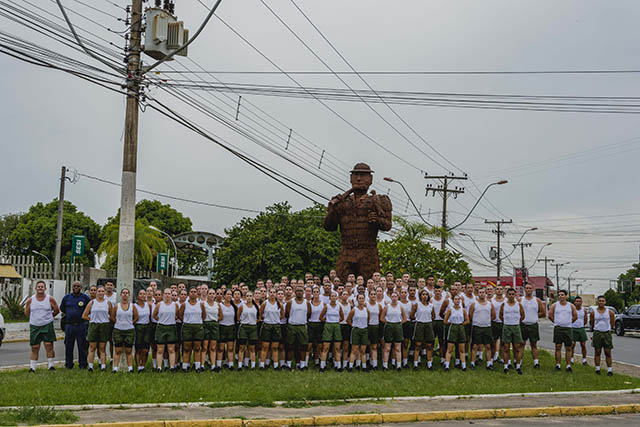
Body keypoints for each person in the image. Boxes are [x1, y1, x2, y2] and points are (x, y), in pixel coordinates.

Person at [25, 280, 60, 372]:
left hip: (47, 325)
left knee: (49, 345)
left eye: (42, 287)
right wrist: (35, 318)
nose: (40, 288)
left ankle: (51, 366)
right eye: (39, 287)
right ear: (36, 288)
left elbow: (56, 310)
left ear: (45, 288)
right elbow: (27, 312)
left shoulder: (50, 299)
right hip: (35, 326)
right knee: (34, 347)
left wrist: (49, 317)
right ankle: (32, 367)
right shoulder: (30, 300)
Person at [59, 281, 90, 369]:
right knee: (68, 346)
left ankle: (83, 365)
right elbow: (63, 309)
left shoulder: (85, 298)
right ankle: (68, 364)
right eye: (74, 286)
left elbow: (89, 309)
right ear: (72, 287)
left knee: (82, 346)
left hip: (81, 325)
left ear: (81, 288)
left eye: (78, 286)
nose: (76, 287)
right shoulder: (66, 298)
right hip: (69, 325)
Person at [82, 286, 112, 371]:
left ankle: (103, 366)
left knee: (102, 348)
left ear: (105, 293)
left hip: (104, 325)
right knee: (92, 347)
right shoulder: (92, 302)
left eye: (102, 291)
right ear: (96, 293)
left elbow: (111, 315)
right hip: (94, 325)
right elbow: (84, 315)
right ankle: (90, 366)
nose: (101, 293)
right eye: (99, 291)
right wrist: (91, 319)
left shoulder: (108, 303)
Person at [548, 290, 578, 372]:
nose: (560, 296)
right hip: (558, 328)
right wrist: (556, 322)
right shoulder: (554, 305)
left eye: (562, 295)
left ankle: (568, 365)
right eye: (559, 295)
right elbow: (550, 315)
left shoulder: (571, 306)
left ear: (566, 296)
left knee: (568, 347)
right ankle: (558, 365)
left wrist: (569, 322)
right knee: (558, 346)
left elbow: (575, 316)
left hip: (568, 328)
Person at [110, 288, 138, 373]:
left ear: (129, 295)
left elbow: (136, 317)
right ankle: (115, 368)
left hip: (129, 330)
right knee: (117, 350)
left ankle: (130, 368)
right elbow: (112, 317)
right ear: (121, 295)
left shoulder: (132, 306)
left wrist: (130, 323)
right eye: (123, 293)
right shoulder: (116, 306)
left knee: (128, 351)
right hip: (118, 330)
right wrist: (118, 323)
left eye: (126, 293)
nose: (125, 295)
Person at [285, 286, 312, 370]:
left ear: (303, 292)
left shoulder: (307, 303)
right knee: (290, 346)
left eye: (301, 291)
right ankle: (288, 365)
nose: (299, 292)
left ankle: (303, 365)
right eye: (297, 291)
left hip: (302, 326)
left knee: (303, 346)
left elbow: (309, 314)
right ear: (295, 292)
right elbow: (287, 314)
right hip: (292, 326)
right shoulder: (290, 302)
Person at [179, 287, 205, 372]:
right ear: (188, 294)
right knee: (186, 348)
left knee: (197, 348)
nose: (193, 293)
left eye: (195, 292)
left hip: (198, 327)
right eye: (191, 292)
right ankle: (185, 366)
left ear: (197, 294)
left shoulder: (201, 304)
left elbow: (203, 316)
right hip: (187, 327)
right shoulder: (184, 305)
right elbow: (180, 316)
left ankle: (197, 366)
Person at [520, 283, 546, 368]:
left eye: (530, 288)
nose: (528, 290)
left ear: (532, 289)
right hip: (523, 324)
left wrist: (535, 316)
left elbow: (543, 313)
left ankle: (536, 362)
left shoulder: (537, 300)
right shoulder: (520, 300)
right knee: (521, 344)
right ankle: (519, 362)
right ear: (524, 289)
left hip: (533, 325)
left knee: (534, 344)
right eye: (527, 288)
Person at [153, 288, 179, 372]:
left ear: (171, 295)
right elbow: (154, 315)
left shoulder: (175, 305)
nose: (167, 295)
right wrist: (161, 320)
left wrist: (170, 320)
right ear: (163, 295)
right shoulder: (159, 305)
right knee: (160, 349)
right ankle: (159, 367)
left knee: (171, 349)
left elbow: (177, 315)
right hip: (161, 327)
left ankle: (172, 367)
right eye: (166, 293)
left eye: (169, 293)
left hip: (171, 327)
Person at [469, 287, 495, 370]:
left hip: (487, 327)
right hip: (477, 327)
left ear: (485, 293)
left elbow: (493, 315)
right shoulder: (474, 304)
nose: (482, 294)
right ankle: (472, 363)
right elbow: (470, 315)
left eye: (483, 292)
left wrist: (486, 320)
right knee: (474, 346)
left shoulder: (490, 304)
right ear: (478, 294)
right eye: (480, 292)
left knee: (487, 346)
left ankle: (489, 364)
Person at [500, 288, 525, 374]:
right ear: (507, 295)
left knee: (517, 347)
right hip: (507, 326)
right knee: (506, 347)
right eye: (509, 294)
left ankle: (518, 366)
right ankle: (506, 366)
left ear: (515, 295)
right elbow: (500, 316)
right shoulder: (504, 305)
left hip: (516, 327)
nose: (511, 296)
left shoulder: (518, 305)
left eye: (512, 294)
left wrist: (516, 322)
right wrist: (507, 322)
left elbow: (522, 315)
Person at [381, 292, 406, 371]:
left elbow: (405, 318)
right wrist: (389, 323)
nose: (394, 298)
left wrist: (398, 323)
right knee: (387, 348)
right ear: (390, 298)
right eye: (392, 296)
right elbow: (381, 318)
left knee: (398, 348)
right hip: (389, 326)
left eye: (395, 296)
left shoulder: (400, 307)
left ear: (398, 297)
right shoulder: (387, 307)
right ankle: (385, 365)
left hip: (398, 327)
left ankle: (398, 365)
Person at [443, 294, 469, 371]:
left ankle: (463, 365)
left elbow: (467, 320)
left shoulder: (463, 310)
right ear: (453, 300)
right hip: (453, 328)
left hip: (460, 328)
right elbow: (445, 320)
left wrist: (461, 324)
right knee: (450, 348)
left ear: (460, 301)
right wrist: (451, 323)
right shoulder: (450, 310)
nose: (457, 301)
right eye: (455, 299)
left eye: (458, 299)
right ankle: (447, 365)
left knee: (461, 349)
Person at [410, 290, 435, 370]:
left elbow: (433, 316)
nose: (424, 296)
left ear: (428, 296)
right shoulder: (417, 305)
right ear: (420, 296)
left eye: (426, 294)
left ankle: (429, 364)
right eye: (423, 294)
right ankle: (415, 364)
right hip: (419, 324)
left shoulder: (431, 306)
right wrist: (418, 319)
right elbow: (412, 315)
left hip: (428, 324)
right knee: (418, 345)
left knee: (429, 345)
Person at [590, 295, 615, 376]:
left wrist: (609, 329)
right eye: (600, 301)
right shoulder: (593, 312)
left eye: (602, 301)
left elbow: (612, 323)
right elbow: (592, 322)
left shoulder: (610, 312)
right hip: (597, 332)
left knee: (608, 352)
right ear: (597, 301)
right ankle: (597, 368)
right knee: (597, 351)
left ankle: (609, 370)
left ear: (605, 302)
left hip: (606, 333)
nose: (601, 302)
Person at [259, 289, 283, 370]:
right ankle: (262, 365)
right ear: (268, 294)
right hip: (267, 326)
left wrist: (275, 319)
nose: (272, 294)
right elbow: (260, 313)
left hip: (276, 326)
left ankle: (276, 365)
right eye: (271, 292)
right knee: (265, 347)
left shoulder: (279, 304)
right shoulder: (265, 303)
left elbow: (282, 315)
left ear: (276, 294)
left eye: (274, 292)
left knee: (275, 347)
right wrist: (267, 318)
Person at [319, 291, 343, 372]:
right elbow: (321, 317)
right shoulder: (326, 306)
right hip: (328, 326)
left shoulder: (339, 306)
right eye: (332, 296)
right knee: (325, 347)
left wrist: (336, 321)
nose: (333, 297)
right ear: (329, 298)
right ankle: (322, 366)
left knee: (337, 348)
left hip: (336, 326)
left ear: (337, 298)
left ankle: (338, 366)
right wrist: (327, 321)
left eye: (335, 296)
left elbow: (342, 318)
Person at [346, 294, 369, 371]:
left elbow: (367, 320)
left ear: (364, 299)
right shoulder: (354, 310)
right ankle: (350, 366)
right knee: (354, 350)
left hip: (364, 330)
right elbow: (348, 320)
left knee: (363, 350)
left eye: (362, 298)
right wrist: (354, 326)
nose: (361, 300)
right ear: (357, 300)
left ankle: (364, 367)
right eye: (360, 298)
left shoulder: (366, 310)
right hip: (356, 330)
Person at [236, 291, 258, 370]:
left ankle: (252, 365)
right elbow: (238, 316)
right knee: (242, 347)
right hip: (244, 327)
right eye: (247, 296)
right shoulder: (242, 306)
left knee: (252, 348)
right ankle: (240, 365)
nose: (249, 297)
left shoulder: (255, 307)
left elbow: (258, 317)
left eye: (250, 296)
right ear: (245, 297)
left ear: (253, 297)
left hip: (253, 327)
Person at [203, 289, 222, 372]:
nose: (211, 295)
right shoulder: (203, 304)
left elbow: (221, 316)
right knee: (204, 347)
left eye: (213, 293)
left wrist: (214, 320)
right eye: (210, 293)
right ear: (207, 294)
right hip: (206, 324)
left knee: (213, 347)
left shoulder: (217, 305)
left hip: (214, 325)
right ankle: (202, 365)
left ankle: (213, 365)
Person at [134, 289, 152, 372]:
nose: (142, 295)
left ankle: (143, 365)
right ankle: (138, 366)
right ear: (137, 296)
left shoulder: (148, 305)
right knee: (138, 348)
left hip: (147, 327)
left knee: (145, 349)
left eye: (144, 294)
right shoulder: (134, 306)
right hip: (138, 327)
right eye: (140, 294)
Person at [219, 290, 237, 370]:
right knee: (221, 348)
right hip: (222, 327)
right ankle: (219, 365)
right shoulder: (220, 305)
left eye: (230, 294)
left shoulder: (234, 307)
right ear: (224, 296)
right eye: (227, 294)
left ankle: (231, 365)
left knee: (230, 348)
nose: (229, 296)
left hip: (231, 327)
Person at [307, 287, 325, 368]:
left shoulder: (323, 304)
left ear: (319, 293)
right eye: (314, 292)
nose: (316, 293)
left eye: (317, 292)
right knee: (309, 345)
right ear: (312, 293)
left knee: (319, 345)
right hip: (310, 324)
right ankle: (305, 364)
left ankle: (319, 362)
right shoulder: (308, 303)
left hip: (319, 325)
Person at [366, 290, 382, 370]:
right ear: (369, 296)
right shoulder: (366, 304)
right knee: (367, 345)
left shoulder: (378, 306)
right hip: (367, 326)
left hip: (376, 326)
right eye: (371, 294)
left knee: (374, 346)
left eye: (374, 294)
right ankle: (367, 361)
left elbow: (380, 317)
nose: (373, 296)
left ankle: (374, 364)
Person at [431, 285, 447, 361]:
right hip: (433, 321)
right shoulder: (431, 300)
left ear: (441, 291)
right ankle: (430, 358)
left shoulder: (444, 300)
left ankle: (442, 358)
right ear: (434, 291)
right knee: (431, 340)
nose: (437, 292)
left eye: (439, 291)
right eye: (436, 291)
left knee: (441, 341)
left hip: (441, 321)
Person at [572, 296, 588, 366]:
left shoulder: (583, 310)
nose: (578, 302)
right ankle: (571, 359)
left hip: (581, 328)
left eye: (579, 301)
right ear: (574, 302)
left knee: (583, 345)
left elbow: (585, 320)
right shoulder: (572, 310)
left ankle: (584, 360)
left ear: (581, 302)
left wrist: (581, 325)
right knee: (572, 345)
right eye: (577, 301)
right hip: (573, 328)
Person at [490, 284, 505, 363]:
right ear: (495, 291)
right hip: (494, 323)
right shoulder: (491, 300)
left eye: (500, 289)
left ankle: (502, 358)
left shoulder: (506, 300)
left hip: (503, 323)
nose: (499, 290)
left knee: (503, 342)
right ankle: (492, 358)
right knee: (493, 342)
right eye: (497, 289)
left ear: (503, 291)